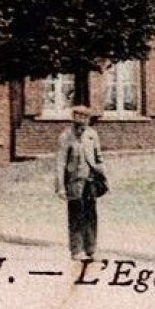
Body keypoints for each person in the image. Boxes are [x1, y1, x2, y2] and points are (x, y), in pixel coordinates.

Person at [55, 106, 104, 261]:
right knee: (76, 215)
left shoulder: (92, 135)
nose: (81, 119)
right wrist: (60, 187)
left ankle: (91, 249)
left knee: (91, 215)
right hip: (74, 182)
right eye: (78, 116)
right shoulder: (66, 136)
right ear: (73, 117)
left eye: (85, 117)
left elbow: (99, 158)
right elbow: (60, 163)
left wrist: (103, 177)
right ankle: (76, 250)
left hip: (90, 181)